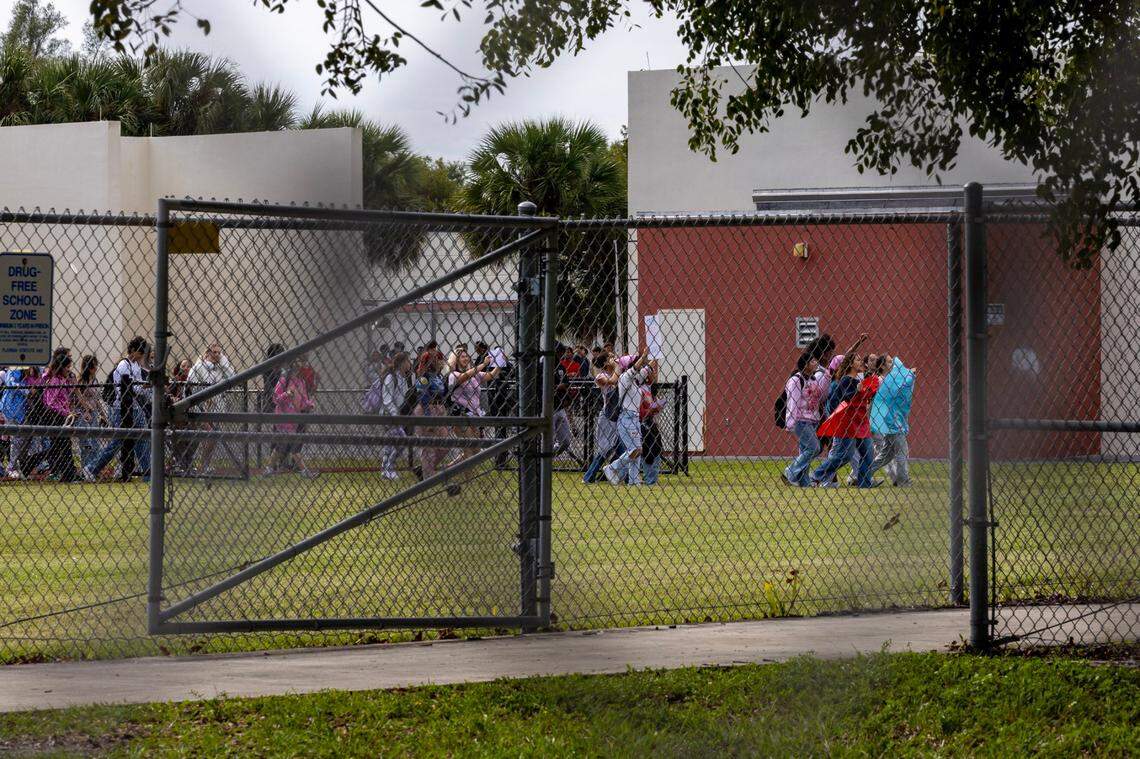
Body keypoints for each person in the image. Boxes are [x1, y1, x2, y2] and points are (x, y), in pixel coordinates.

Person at [811, 354, 884, 488]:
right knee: (843, 456)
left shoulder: (858, 381)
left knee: (868, 453)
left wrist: (871, 389)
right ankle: (816, 476)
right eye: (857, 359)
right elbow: (838, 400)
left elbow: (864, 397)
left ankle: (864, 483)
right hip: (848, 424)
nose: (861, 361)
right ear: (850, 364)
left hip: (861, 423)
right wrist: (856, 392)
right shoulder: (845, 380)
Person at [84, 337, 149, 482]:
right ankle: (91, 468)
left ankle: (148, 473)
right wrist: (143, 386)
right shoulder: (123, 366)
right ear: (133, 350)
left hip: (134, 405)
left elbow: (139, 390)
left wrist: (145, 386)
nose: (141, 356)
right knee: (117, 442)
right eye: (140, 352)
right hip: (121, 407)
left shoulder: (136, 366)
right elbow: (126, 390)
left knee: (143, 436)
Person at [22, 351, 80, 482]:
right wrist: (66, 413)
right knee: (62, 446)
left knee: (58, 448)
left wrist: (69, 411)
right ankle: (68, 474)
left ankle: (28, 465)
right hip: (55, 417)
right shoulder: (54, 380)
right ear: (61, 367)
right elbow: (51, 403)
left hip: (62, 416)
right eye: (67, 367)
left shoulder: (62, 380)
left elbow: (65, 400)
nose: (68, 370)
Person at [603, 350, 654, 485]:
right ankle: (612, 467)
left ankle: (633, 480)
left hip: (634, 418)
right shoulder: (625, 378)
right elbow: (636, 368)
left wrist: (655, 355)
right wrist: (643, 357)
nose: (640, 366)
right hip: (627, 418)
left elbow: (648, 368)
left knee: (636, 452)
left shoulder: (636, 381)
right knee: (635, 450)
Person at [185, 343, 236, 474]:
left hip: (216, 408)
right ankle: (199, 465)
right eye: (214, 352)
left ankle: (204, 465)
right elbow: (191, 384)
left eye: (220, 353)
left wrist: (224, 363)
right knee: (209, 435)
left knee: (211, 438)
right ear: (207, 353)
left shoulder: (220, 368)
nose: (217, 355)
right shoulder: (199, 366)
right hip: (200, 408)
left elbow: (233, 377)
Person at [415, 350, 460, 495]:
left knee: (446, 444)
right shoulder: (424, 377)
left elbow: (444, 392)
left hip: (439, 409)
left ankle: (426, 470)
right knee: (429, 447)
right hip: (426, 411)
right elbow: (423, 399)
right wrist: (429, 420)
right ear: (432, 362)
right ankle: (435, 478)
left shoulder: (438, 376)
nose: (442, 362)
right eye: (439, 359)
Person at [869, 354, 916, 486]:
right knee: (902, 451)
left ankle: (864, 473)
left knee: (886, 454)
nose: (892, 365)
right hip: (892, 421)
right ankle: (903, 481)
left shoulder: (891, 379)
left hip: (893, 420)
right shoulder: (880, 380)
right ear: (882, 366)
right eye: (889, 362)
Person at [447, 349, 501, 463]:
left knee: (475, 451)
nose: (466, 358)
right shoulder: (453, 375)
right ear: (456, 360)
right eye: (462, 357)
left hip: (474, 415)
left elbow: (490, 375)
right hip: (461, 415)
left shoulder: (474, 375)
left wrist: (500, 362)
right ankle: (467, 480)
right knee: (469, 451)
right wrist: (484, 364)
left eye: (467, 356)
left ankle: (446, 471)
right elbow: (465, 376)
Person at [271, 357, 318, 478]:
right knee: (291, 447)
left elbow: (303, 401)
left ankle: (269, 468)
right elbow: (275, 398)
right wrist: (287, 394)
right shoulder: (284, 380)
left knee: (282, 447)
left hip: (294, 419)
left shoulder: (300, 382)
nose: (300, 366)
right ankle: (304, 472)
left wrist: (309, 404)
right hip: (283, 418)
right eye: (297, 362)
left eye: (301, 363)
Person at [583, 351, 622, 484]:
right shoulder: (601, 376)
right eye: (611, 357)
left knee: (621, 447)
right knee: (605, 448)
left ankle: (617, 474)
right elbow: (612, 381)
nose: (615, 358)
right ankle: (589, 477)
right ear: (606, 362)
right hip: (607, 417)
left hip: (619, 415)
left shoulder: (618, 372)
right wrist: (618, 366)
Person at [378, 351, 413, 479]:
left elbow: (402, 398)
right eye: (408, 361)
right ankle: (389, 468)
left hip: (397, 415)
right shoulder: (390, 377)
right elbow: (387, 399)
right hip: (390, 415)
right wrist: (395, 415)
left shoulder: (403, 378)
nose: (410, 364)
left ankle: (385, 470)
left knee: (391, 443)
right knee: (402, 440)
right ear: (403, 363)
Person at [74, 355, 108, 471]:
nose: (96, 368)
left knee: (95, 445)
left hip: (93, 414)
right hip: (82, 414)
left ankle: (90, 469)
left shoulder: (95, 380)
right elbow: (77, 399)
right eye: (94, 366)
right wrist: (86, 410)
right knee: (86, 444)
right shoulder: (81, 381)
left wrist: (103, 414)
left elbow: (97, 399)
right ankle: (85, 468)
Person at [639, 365, 667, 485]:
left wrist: (656, 407)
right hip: (642, 421)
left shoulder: (647, 387)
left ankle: (651, 478)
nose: (653, 375)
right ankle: (649, 478)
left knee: (655, 447)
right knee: (648, 449)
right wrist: (649, 410)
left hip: (650, 420)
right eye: (650, 373)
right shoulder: (638, 389)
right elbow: (638, 410)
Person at [2, 367, 31, 479]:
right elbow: (11, 383)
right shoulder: (14, 370)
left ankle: (16, 464)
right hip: (11, 408)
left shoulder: (27, 372)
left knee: (25, 437)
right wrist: (27, 390)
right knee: (16, 439)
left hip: (22, 410)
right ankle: (11, 467)